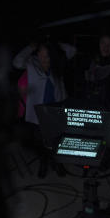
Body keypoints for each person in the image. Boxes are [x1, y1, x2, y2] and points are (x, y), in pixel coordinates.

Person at [14, 40, 77, 179]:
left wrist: (57, 45)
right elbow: (17, 62)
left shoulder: (57, 62)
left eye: (46, 55)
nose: (43, 58)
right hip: (38, 110)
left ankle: (57, 163)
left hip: (56, 107)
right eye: (40, 54)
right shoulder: (31, 63)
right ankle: (44, 163)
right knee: (40, 141)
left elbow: (72, 51)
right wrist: (30, 46)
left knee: (57, 138)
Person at [83, 33, 110, 109]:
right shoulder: (89, 61)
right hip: (90, 104)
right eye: (103, 43)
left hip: (109, 107)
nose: (106, 47)